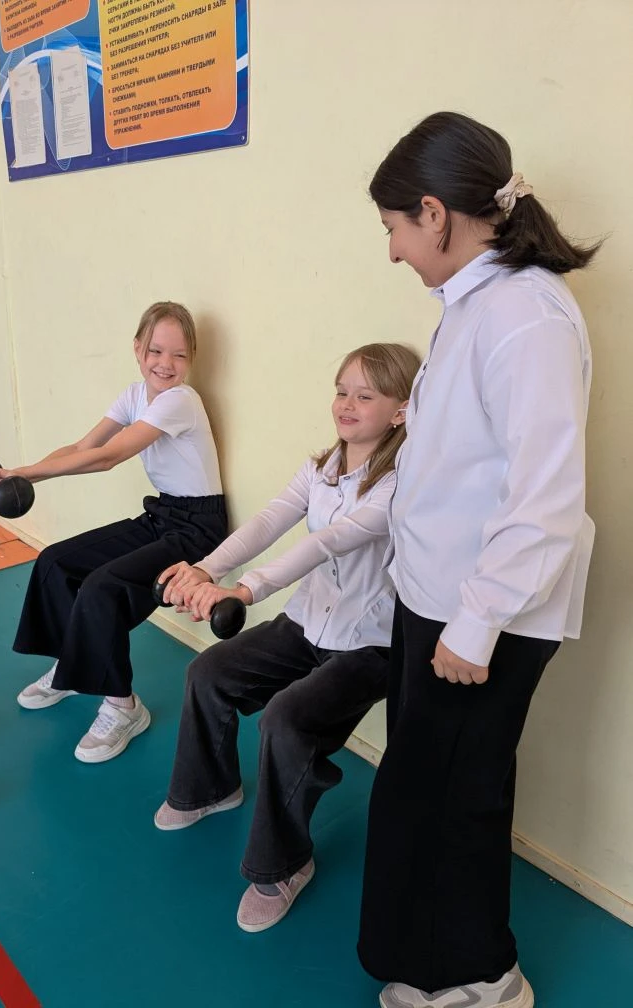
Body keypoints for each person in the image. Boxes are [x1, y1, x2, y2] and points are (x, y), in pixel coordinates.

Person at [357, 112, 599, 1008]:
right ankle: (437, 960)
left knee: (457, 799)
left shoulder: (526, 317)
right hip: (442, 603)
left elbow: (546, 496)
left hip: (479, 618)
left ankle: (484, 980)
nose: (392, 249)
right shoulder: (475, 304)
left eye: (394, 227)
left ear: (435, 214)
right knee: (429, 788)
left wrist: (476, 622)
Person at [153, 342, 420, 933]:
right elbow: (270, 520)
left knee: (286, 719)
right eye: (341, 390)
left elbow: (328, 541)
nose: (346, 404)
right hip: (306, 622)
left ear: (401, 410)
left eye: (365, 395)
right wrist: (205, 570)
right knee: (208, 672)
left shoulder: (403, 482)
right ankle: (210, 788)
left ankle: (283, 865)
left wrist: (246, 591)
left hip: (370, 643)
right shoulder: (322, 467)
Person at [0, 301, 228, 763]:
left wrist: (25, 476)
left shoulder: (181, 400)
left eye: (179, 355)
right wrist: (19, 473)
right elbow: (84, 446)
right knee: (55, 562)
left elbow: (107, 457)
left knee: (102, 586)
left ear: (191, 358)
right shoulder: (134, 396)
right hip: (163, 514)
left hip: (198, 528)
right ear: (137, 349)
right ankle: (72, 668)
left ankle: (124, 707)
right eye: (156, 351)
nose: (166, 363)